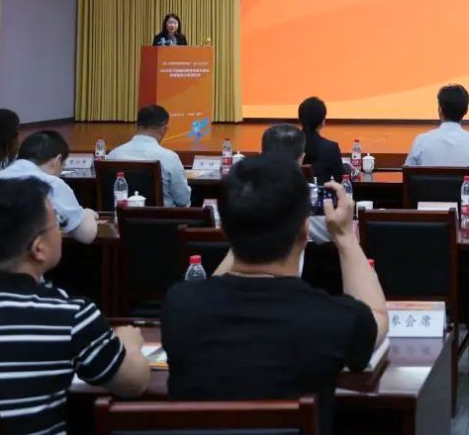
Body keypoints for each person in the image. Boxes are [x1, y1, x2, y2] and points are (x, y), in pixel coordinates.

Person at [162, 156, 387, 435]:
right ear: (305, 231)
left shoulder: (180, 306)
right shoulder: (335, 319)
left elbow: (215, 283)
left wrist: (242, 232)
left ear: (223, 230)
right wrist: (344, 236)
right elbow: (376, 316)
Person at [0, 178, 150, 434]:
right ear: (38, 248)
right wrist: (129, 344)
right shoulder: (67, 314)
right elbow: (134, 383)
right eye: (58, 223)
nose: (61, 231)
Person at [0, 130, 100, 243]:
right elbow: (86, 235)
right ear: (57, 161)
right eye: (63, 166)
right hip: (27, 252)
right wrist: (88, 214)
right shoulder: (52, 184)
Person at [405, 84, 469, 184]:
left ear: (440, 110)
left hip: (428, 196)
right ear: (466, 111)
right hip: (466, 196)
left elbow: (407, 174)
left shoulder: (421, 141)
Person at [107, 105, 191, 207]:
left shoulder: (113, 155)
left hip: (121, 216)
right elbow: (183, 200)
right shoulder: (170, 158)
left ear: (137, 126)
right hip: (160, 216)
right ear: (163, 129)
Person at [261, 123, 332, 244]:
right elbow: (334, 235)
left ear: (261, 155)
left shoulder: (240, 193)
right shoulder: (315, 196)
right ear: (301, 158)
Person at [299, 96, 346, 183]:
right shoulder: (331, 148)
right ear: (323, 121)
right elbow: (342, 180)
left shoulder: (287, 145)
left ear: (300, 119)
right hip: (321, 191)